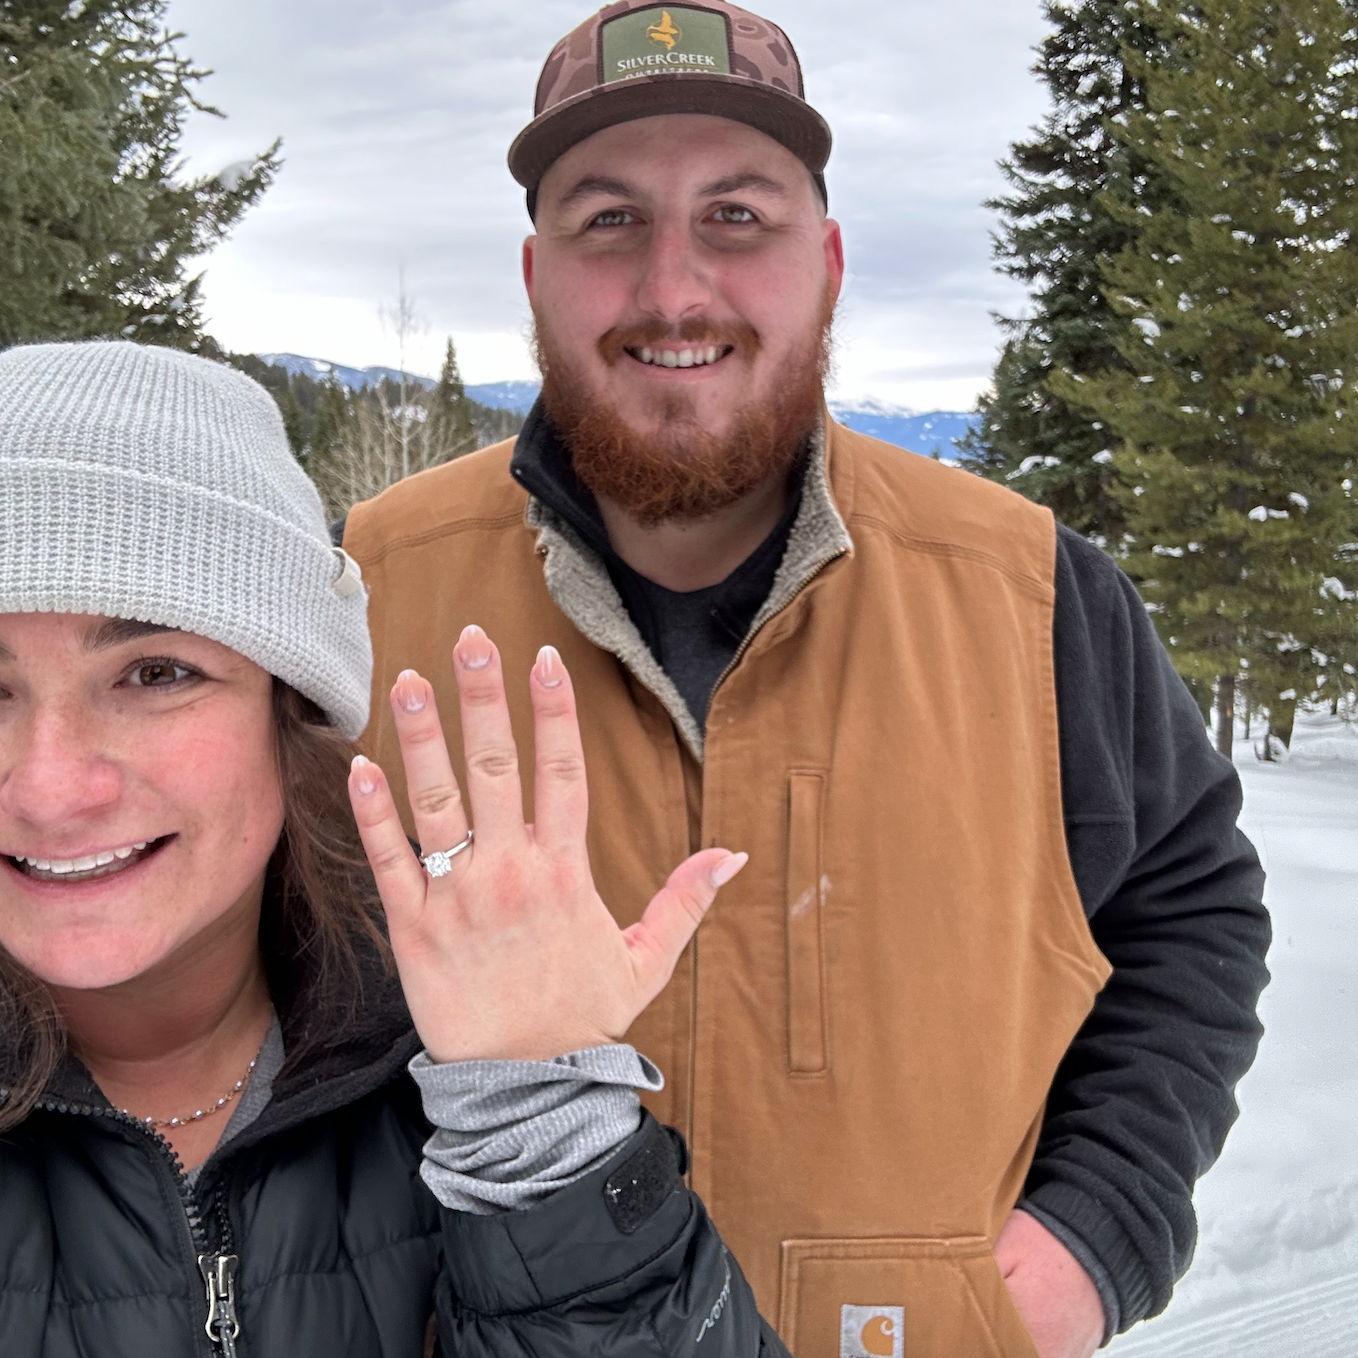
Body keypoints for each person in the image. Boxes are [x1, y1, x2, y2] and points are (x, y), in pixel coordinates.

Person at [341, 3, 1273, 1355]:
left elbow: (1188, 910)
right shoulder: (367, 586)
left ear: (825, 262)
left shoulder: (1027, 591)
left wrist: (1095, 1234)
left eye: (737, 217)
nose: (673, 289)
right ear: (535, 272)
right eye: (607, 221)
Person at [0, 338, 788, 1357]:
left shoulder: (457, 1054)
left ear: (293, 714)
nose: (53, 784)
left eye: (155, 673)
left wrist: (539, 1144)